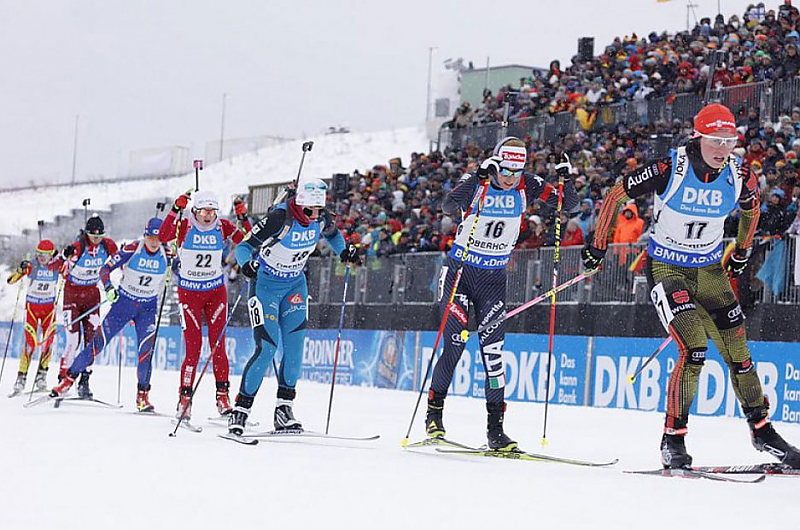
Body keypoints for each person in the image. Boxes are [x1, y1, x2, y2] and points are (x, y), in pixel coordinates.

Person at [582, 103, 800, 469]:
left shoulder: (738, 173)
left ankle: (762, 432)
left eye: (729, 141)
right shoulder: (671, 168)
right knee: (694, 347)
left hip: (710, 271)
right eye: (715, 141)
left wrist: (743, 252)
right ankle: (673, 438)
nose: (722, 149)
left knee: (739, 356)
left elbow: (753, 208)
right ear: (698, 137)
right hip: (668, 268)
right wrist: (598, 244)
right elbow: (617, 194)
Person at [425, 137, 579, 451]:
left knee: (494, 356)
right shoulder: (478, 181)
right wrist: (480, 177)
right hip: (460, 275)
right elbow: (448, 206)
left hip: (494, 281)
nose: (510, 178)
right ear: (496, 164)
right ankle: (434, 415)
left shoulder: (529, 184)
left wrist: (567, 179)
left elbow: (568, 204)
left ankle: (496, 430)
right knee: (454, 348)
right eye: (505, 170)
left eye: (516, 171)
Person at [228, 178, 359, 436]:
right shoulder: (280, 217)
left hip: (295, 286)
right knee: (267, 348)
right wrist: (245, 265)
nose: (315, 216)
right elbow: (244, 247)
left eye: (319, 210)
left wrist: (344, 251)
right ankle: (241, 410)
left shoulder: (321, 218)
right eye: (310, 210)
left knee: (295, 348)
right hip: (266, 286)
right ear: (300, 205)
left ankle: (284, 409)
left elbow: (333, 234)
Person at [50, 218, 169, 412]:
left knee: (146, 351)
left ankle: (142, 397)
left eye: (158, 237)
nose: (154, 241)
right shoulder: (133, 249)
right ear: (144, 235)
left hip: (148, 307)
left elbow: (183, 269)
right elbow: (105, 269)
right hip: (124, 304)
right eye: (150, 236)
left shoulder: (167, 253)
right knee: (96, 344)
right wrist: (108, 288)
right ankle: (67, 381)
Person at [158, 189, 251, 420]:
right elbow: (162, 236)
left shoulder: (223, 226)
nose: (209, 216)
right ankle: (185, 400)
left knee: (218, 347)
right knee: (193, 350)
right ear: (194, 211)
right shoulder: (185, 225)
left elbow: (249, 241)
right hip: (189, 295)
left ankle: (223, 397)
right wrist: (175, 210)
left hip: (215, 294)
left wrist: (243, 218)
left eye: (212, 211)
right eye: (204, 211)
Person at [53, 215, 118, 398]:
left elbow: (121, 258)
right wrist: (64, 256)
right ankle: (62, 379)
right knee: (73, 340)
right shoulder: (80, 245)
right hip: (72, 296)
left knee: (91, 342)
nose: (96, 239)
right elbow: (61, 265)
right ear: (87, 234)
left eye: (100, 235)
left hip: (91, 296)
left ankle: (84, 381)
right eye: (92, 235)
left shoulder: (108, 245)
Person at [6, 240, 60, 396]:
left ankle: (41, 376)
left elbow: (70, 272)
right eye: (39, 254)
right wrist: (20, 269)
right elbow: (10, 281)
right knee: (30, 344)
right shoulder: (32, 265)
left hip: (48, 312)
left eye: (45, 255)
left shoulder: (56, 266)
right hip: (32, 310)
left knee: (48, 343)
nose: (41, 258)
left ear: (51, 255)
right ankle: (21, 378)